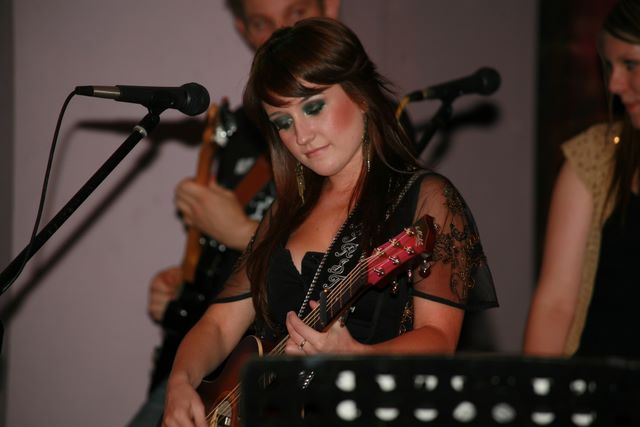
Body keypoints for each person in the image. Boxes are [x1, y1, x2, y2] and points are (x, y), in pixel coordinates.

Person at [161, 17, 498, 427]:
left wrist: (358, 357)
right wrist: (180, 382)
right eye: (283, 122)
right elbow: (217, 325)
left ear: (360, 95)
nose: (301, 135)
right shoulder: (284, 213)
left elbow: (440, 339)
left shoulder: (426, 199)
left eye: (313, 107)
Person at [127, 2, 341, 426]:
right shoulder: (245, 126)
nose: (280, 31)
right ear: (243, 29)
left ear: (329, 7)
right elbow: (229, 267)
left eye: (295, 11)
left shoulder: (342, 128)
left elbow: (348, 250)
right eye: (262, 22)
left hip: (279, 360)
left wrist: (239, 231)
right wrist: (183, 281)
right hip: (211, 354)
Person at [524, 0, 640, 359]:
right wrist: (536, 389)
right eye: (610, 66)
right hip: (596, 387)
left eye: (630, 64)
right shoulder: (596, 157)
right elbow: (556, 305)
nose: (615, 84)